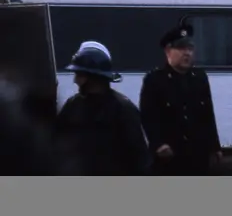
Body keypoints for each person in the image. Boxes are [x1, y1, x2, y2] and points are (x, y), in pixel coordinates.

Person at [54, 41, 151, 175]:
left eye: (79, 75)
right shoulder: (73, 105)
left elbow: (140, 158)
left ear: (92, 77)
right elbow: (57, 143)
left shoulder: (123, 109)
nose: (75, 80)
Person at [139, 24, 222, 175]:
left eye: (190, 49)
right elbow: (148, 116)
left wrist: (215, 146)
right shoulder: (155, 80)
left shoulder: (199, 78)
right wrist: (158, 144)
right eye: (181, 49)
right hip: (169, 157)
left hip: (197, 155)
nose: (187, 53)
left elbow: (208, 114)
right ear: (168, 51)